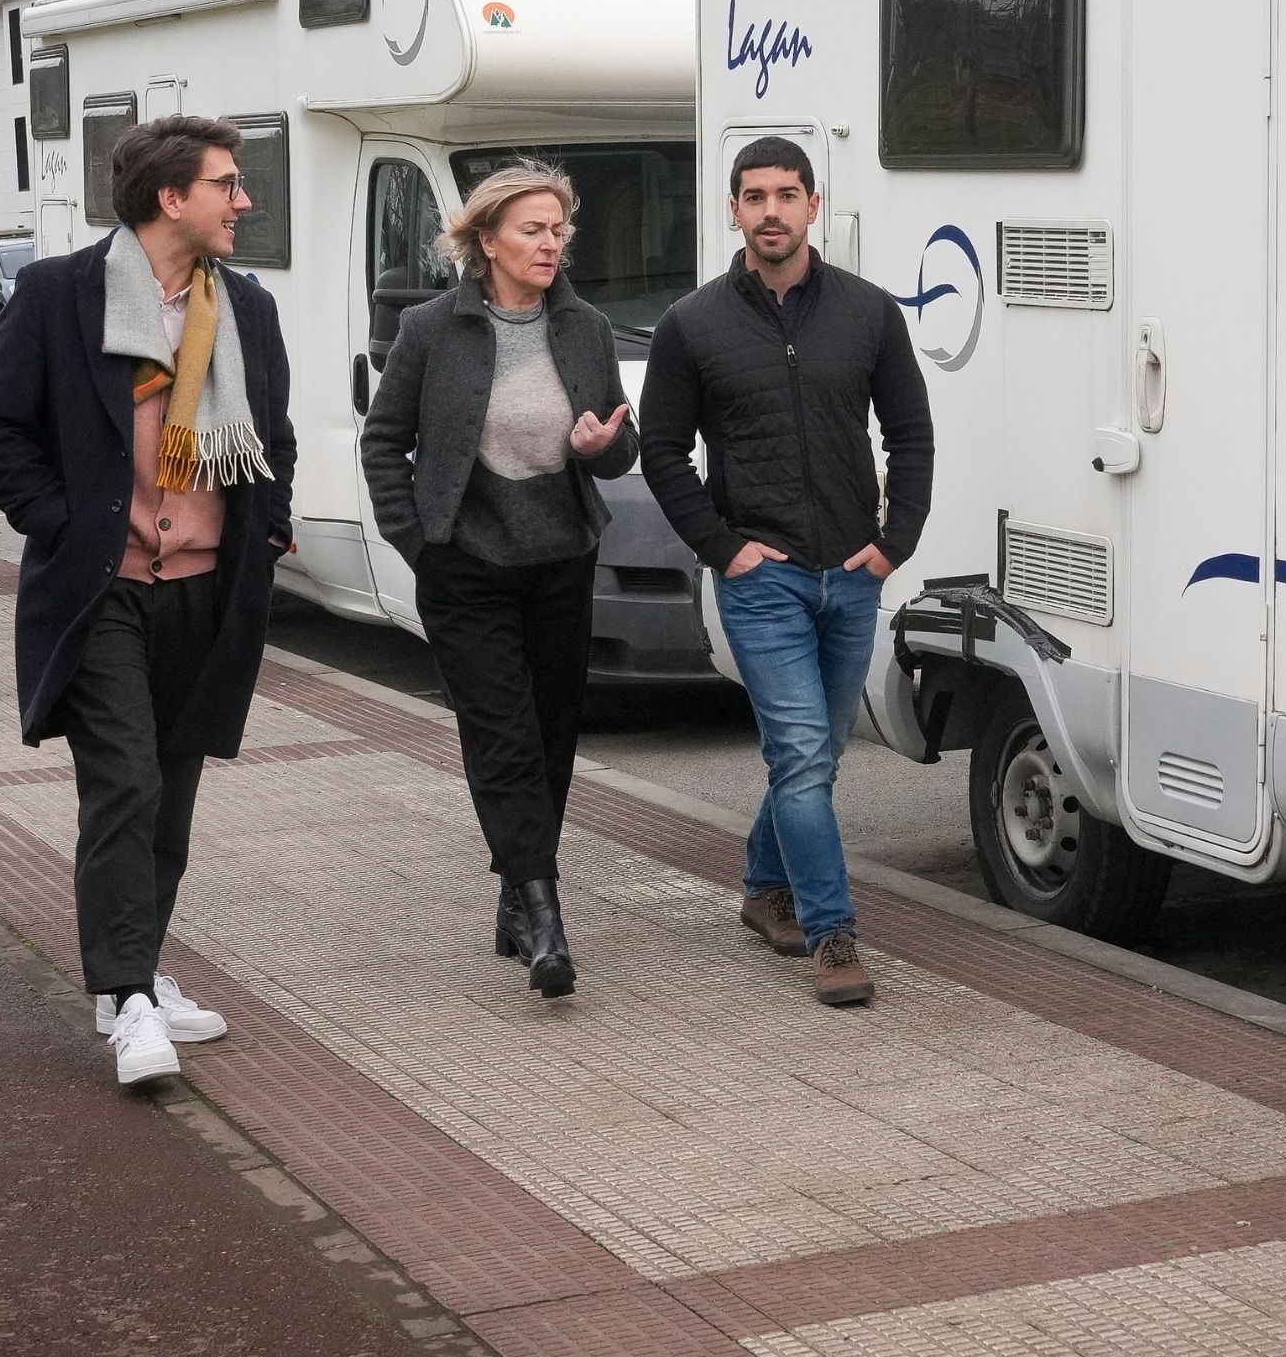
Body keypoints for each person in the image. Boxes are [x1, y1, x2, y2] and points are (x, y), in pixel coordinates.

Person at [0, 115, 295, 1090]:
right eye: (226, 184)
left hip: (204, 592)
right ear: (171, 198)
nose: (242, 201)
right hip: (102, 590)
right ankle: (129, 1001)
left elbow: (271, 438)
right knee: (125, 784)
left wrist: (268, 529)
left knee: (172, 797)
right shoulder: (58, 295)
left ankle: (138, 971)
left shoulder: (246, 309)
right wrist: (65, 528)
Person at [639, 137, 932, 1007]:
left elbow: (910, 433)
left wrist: (896, 540)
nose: (772, 211)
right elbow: (663, 451)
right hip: (760, 578)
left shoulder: (869, 312)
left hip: (852, 572)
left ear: (812, 205)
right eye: (755, 196)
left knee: (820, 754)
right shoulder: (692, 324)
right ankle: (832, 933)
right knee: (802, 754)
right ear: (733, 209)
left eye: (787, 194)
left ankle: (765, 886)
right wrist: (723, 547)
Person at [359, 164, 638, 997]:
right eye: (532, 229)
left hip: (561, 561)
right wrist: (418, 542)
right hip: (465, 568)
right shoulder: (429, 329)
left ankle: (516, 896)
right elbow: (383, 442)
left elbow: (620, 439)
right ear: (485, 240)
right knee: (503, 737)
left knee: (550, 737)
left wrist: (605, 448)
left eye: (559, 229)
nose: (551, 243)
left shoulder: (586, 327)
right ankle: (546, 921)